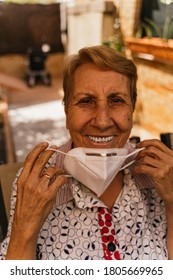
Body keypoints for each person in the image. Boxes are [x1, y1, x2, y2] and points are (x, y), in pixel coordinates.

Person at [0, 45, 173, 260]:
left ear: (132, 108)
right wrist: (24, 228)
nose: (102, 121)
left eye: (117, 100)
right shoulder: (36, 183)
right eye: (86, 101)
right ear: (66, 110)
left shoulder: (158, 176)